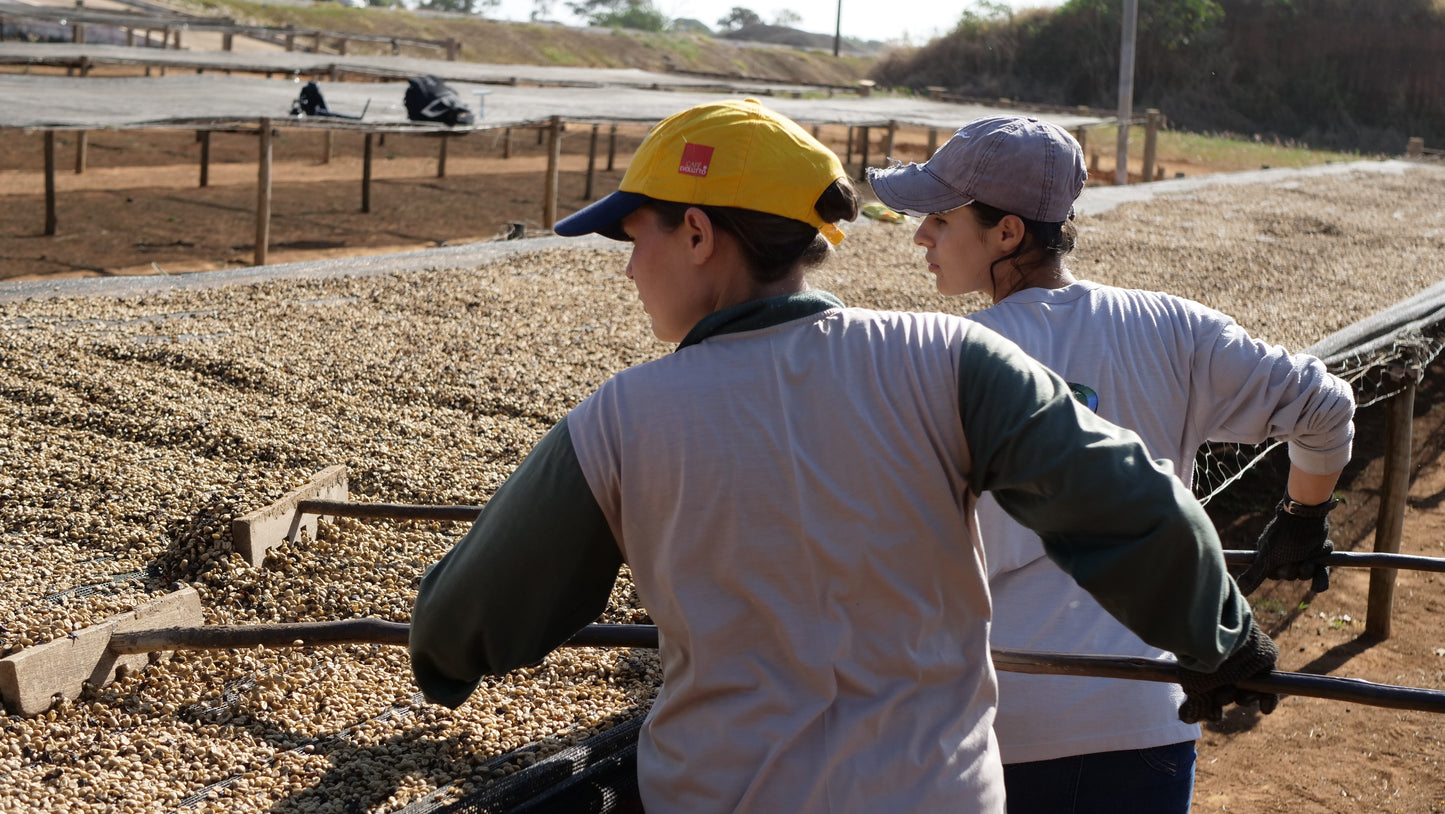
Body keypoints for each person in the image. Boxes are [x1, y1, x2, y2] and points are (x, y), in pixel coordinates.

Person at [408, 99, 1280, 814]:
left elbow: (465, 623)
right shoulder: (950, 360)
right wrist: (1223, 645)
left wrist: (444, 662)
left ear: (701, 235)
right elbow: (1131, 507)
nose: (632, 269)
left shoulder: (621, 420)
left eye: (638, 238)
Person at [868, 115, 1356, 814]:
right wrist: (1302, 517)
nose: (919, 235)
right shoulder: (1174, 327)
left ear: (1006, 233)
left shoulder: (940, 356)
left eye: (939, 219)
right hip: (1146, 717)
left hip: (995, 722)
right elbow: (1324, 408)